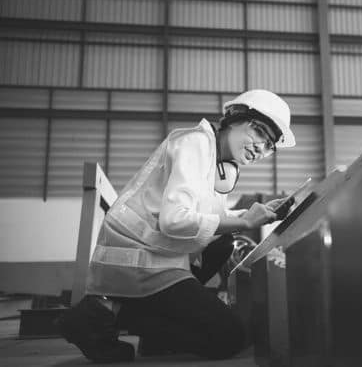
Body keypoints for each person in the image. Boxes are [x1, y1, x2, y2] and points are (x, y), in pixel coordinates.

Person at [56, 89, 296, 362]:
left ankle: (153, 335)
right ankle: (99, 316)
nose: (261, 149)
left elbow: (206, 216)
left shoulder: (218, 164)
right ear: (235, 118)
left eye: (269, 146)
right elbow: (174, 220)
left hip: (160, 258)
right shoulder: (196, 144)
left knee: (223, 243)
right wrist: (244, 221)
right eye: (260, 133)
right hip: (137, 260)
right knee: (231, 338)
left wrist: (254, 213)